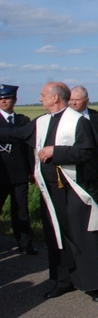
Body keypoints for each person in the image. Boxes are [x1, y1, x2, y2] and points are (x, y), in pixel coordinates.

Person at [0, 82, 98, 302]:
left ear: (55, 98)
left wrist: (55, 152)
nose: (40, 99)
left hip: (73, 189)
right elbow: (17, 134)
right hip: (50, 191)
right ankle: (63, 280)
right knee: (55, 235)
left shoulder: (79, 121)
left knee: (82, 235)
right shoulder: (42, 121)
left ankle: (94, 285)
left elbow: (87, 152)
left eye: (42, 95)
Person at [0, 84, 37, 255]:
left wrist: (32, 170)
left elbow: (29, 149)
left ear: (14, 100)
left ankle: (25, 243)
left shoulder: (23, 121)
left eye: (6, 98)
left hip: (20, 174)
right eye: (0, 99)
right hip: (1, 174)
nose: (3, 101)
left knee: (21, 210)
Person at [69, 85, 98, 204]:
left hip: (91, 167)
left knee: (94, 199)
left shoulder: (96, 116)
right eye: (71, 100)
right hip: (72, 167)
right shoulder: (65, 117)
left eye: (77, 100)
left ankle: (95, 222)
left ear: (87, 100)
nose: (73, 103)